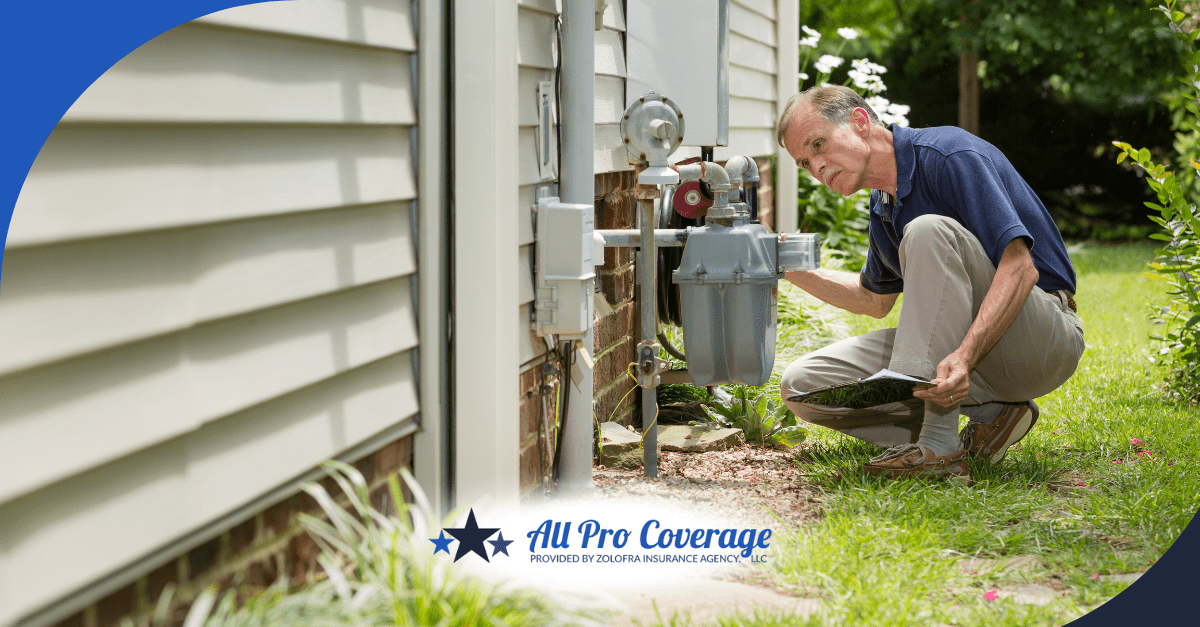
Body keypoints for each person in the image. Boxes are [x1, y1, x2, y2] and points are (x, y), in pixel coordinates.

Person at [775, 85, 1085, 480]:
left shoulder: (948, 155)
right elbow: (874, 300)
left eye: (818, 144)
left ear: (860, 122)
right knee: (803, 385)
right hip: (973, 362)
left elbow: (1021, 268)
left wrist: (965, 355)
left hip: (1040, 341)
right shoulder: (883, 204)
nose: (816, 166)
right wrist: (788, 268)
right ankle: (995, 415)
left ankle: (938, 447)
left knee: (926, 230)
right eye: (804, 162)